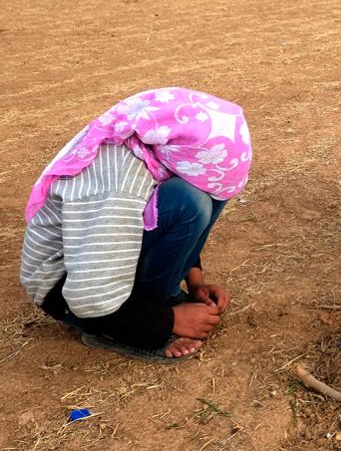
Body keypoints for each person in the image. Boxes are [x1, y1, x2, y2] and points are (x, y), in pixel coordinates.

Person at [21, 88, 252, 363]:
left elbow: (156, 215)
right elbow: (88, 297)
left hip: (97, 258)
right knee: (189, 201)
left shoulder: (157, 143)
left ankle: (157, 296)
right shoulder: (118, 186)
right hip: (67, 286)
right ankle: (120, 328)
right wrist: (167, 321)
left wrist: (195, 278)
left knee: (208, 194)